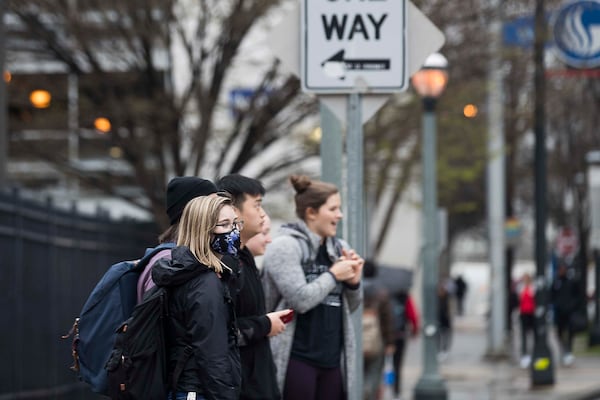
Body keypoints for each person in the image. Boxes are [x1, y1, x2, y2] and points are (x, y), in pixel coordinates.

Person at [262, 174, 364, 400]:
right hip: (296, 358)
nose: (340, 215)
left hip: (332, 361)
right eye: (334, 209)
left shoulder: (340, 248)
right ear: (311, 212)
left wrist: (354, 282)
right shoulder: (285, 246)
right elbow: (301, 300)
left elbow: (352, 306)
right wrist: (333, 274)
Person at [151, 195, 241, 400]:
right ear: (204, 231)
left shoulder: (189, 273)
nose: (234, 231)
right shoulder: (204, 283)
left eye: (235, 223)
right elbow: (212, 354)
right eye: (225, 225)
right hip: (197, 391)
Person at [217, 174, 289, 400]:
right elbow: (221, 331)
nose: (263, 214)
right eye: (257, 205)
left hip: (259, 381)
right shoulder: (224, 262)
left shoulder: (244, 256)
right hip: (239, 387)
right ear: (233, 210)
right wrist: (266, 324)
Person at [137, 176, 218, 303]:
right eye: (211, 206)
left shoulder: (189, 258)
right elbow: (154, 319)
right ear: (192, 212)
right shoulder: (167, 262)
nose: (219, 212)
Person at [362, 260, 395, 400]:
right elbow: (387, 319)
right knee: (374, 372)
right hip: (377, 340)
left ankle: (360, 391)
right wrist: (390, 342)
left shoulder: (355, 287)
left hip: (357, 339)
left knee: (358, 371)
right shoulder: (381, 292)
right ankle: (368, 392)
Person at [390, 290, 419, 399]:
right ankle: (396, 389)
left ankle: (383, 386)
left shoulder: (385, 294)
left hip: (385, 335)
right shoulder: (405, 297)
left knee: (383, 364)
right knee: (397, 364)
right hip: (400, 335)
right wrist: (414, 332)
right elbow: (413, 315)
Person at [551, 263, 581, 366]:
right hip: (559, 313)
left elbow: (577, 296)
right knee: (559, 333)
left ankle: (569, 352)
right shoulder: (556, 282)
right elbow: (551, 294)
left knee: (570, 332)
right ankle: (564, 350)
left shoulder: (571, 282)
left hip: (569, 312)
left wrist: (572, 306)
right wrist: (556, 303)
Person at [517, 273, 536, 368]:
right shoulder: (521, 288)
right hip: (523, 313)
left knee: (532, 335)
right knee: (524, 335)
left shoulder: (533, 289)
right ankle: (525, 355)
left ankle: (532, 354)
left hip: (531, 314)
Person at [437, 279, 453, 361]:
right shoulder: (436, 299)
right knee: (439, 337)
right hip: (439, 321)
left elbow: (449, 310)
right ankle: (439, 351)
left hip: (446, 321)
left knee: (446, 337)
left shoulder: (447, 298)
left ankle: (445, 351)